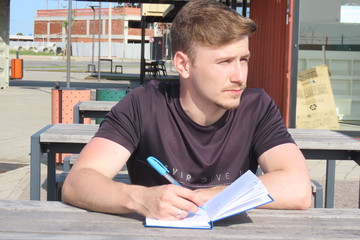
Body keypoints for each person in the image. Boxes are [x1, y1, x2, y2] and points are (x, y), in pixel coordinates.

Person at [62, 0, 311, 220]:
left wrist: (211, 197)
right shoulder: (144, 104)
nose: (240, 76)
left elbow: (298, 188)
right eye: (224, 62)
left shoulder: (256, 107)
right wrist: (141, 199)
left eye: (243, 60)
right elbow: (78, 182)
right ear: (183, 64)